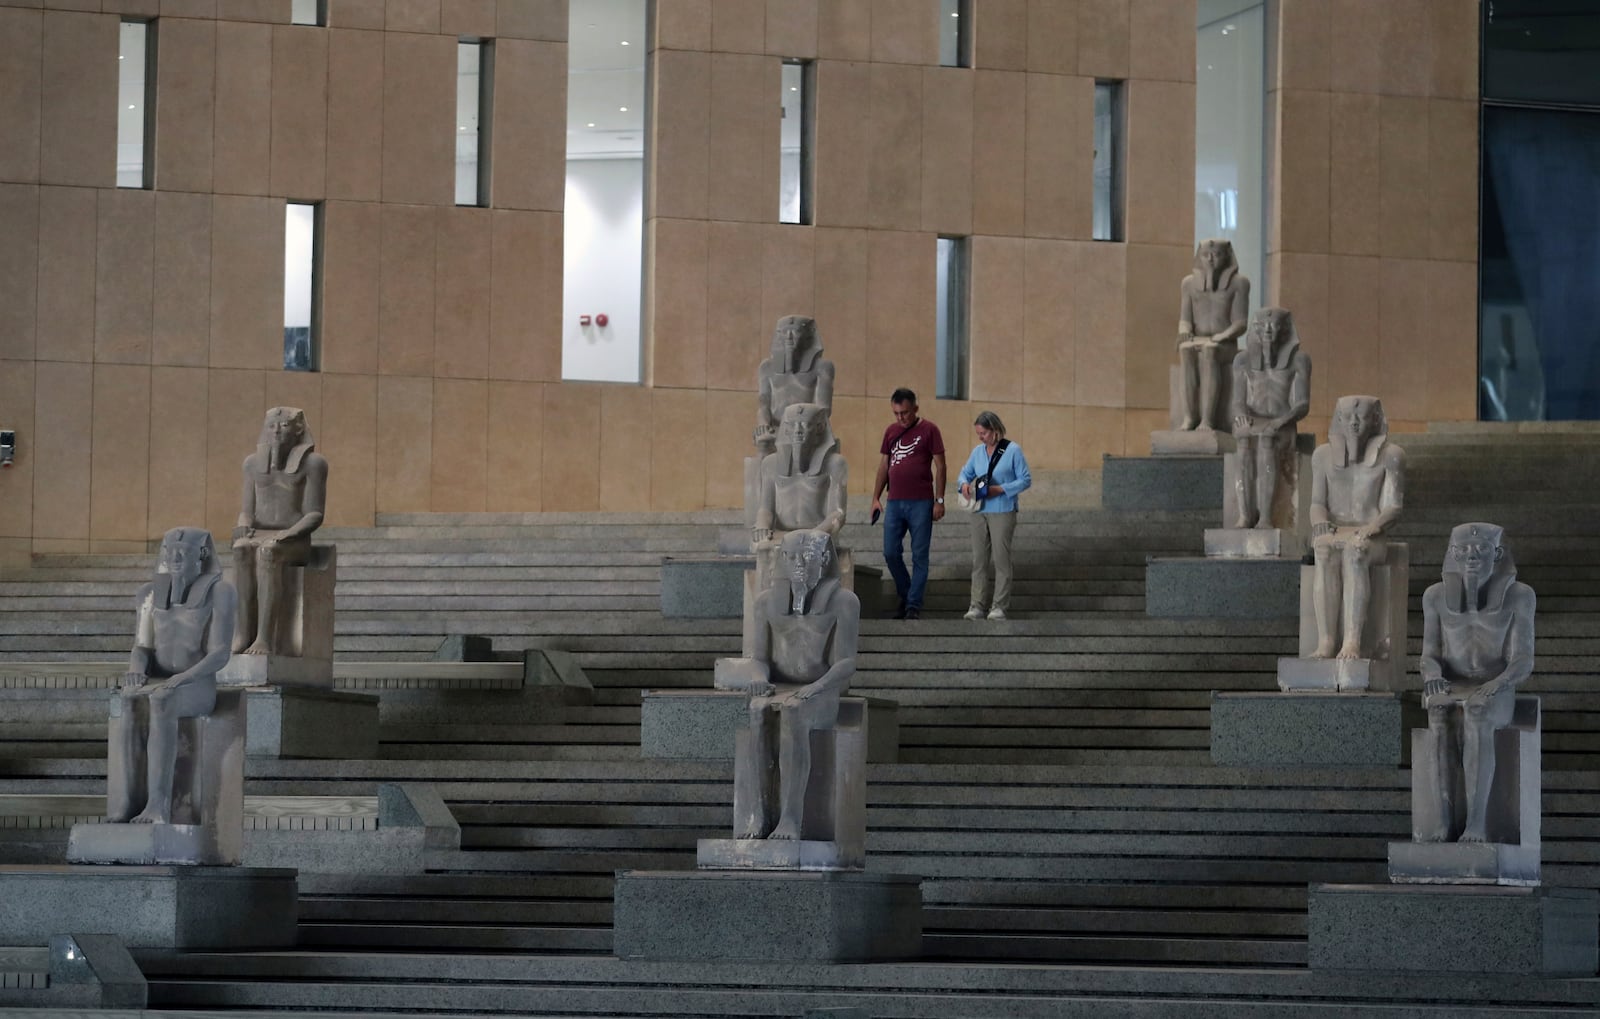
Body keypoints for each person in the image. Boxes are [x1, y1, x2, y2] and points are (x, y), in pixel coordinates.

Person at [730, 529, 859, 841]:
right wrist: (759, 679)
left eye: (807, 556)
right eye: (790, 556)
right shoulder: (765, 604)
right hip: (782, 686)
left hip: (822, 690)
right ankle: (760, 814)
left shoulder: (844, 601)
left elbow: (846, 663)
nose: (798, 563)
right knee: (758, 710)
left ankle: (790, 817)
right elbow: (759, 658)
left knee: (793, 712)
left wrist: (817, 687)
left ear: (825, 558)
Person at [109, 527, 237, 825]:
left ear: (201, 554)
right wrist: (135, 671)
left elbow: (219, 653)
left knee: (163, 699)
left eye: (183, 551)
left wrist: (182, 679)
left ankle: (158, 804)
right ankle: (128, 800)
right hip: (159, 680)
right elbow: (142, 646)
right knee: (127, 701)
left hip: (198, 685)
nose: (175, 557)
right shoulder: (149, 593)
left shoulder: (221, 592)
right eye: (169, 550)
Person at [1417, 522, 1535, 844]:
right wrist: (1432, 676)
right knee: (1439, 713)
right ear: (1453, 554)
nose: (1472, 557)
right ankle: (1444, 822)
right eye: (1464, 551)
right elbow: (1430, 654)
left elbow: (1523, 659)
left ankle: (1476, 824)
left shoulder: (1520, 596)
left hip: (1496, 683)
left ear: (1496, 554)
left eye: (1481, 550)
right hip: (1453, 682)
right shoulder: (1435, 596)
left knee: (1478, 712)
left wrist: (1498, 684)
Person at [1308, 395, 1406, 659]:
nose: (1353, 423)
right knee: (1324, 550)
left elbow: (1393, 507)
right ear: (1338, 419)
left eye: (1360, 417)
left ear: (1375, 420)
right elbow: (1317, 503)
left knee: (1355, 551)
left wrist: (1373, 527)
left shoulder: (1392, 456)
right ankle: (1326, 641)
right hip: (1336, 529)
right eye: (1348, 417)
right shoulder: (1322, 456)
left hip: (1371, 533)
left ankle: (1352, 641)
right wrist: (1319, 523)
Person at [232, 407, 328, 655]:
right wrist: (243, 523)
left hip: (294, 539)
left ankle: (264, 637)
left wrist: (288, 534)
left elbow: (314, 514)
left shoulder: (313, 464)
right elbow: (247, 510)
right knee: (241, 550)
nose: (276, 432)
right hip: (262, 534)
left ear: (298, 430)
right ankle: (243, 633)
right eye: (271, 426)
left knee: (268, 552)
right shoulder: (252, 464)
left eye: (284, 426)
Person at [1230, 307, 1311, 529]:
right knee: (1243, 441)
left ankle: (1265, 517)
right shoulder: (1242, 360)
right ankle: (1245, 515)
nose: (1267, 330)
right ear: (1255, 330)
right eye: (1262, 326)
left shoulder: (1299, 360)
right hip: (1253, 420)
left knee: (1267, 440)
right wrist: (1242, 417)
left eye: (1273, 325)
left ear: (1285, 330)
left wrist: (1280, 421)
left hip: (1283, 423)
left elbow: (1302, 404)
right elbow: (1238, 401)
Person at [870, 388, 945, 620]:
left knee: (919, 555)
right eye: (896, 413)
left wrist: (939, 500)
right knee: (890, 552)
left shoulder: (929, 430)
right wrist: (875, 497)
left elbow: (941, 466)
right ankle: (907, 593)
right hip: (894, 501)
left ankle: (913, 605)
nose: (901, 418)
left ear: (915, 409)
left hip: (921, 501)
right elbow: (885, 465)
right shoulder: (891, 431)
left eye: (904, 412)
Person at [957, 411, 1032, 621]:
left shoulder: (1013, 450)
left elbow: (1025, 479)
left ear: (995, 430)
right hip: (979, 511)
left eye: (983, 433)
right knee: (979, 560)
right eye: (978, 433)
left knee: (1001, 559)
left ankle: (999, 605)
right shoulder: (977, 452)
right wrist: (963, 483)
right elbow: (965, 473)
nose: (980, 437)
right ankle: (977, 605)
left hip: (1003, 510)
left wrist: (1000, 489)